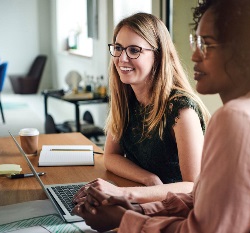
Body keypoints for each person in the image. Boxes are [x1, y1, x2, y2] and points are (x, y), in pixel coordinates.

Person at [73, 0, 250, 232]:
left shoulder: (236, 118)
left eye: (206, 44)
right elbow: (202, 199)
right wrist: (141, 210)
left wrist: (125, 219)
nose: (195, 55)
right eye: (195, 42)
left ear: (244, 50)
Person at [73, 13, 210, 204]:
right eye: (119, 48)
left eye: (134, 50)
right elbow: (111, 156)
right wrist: (148, 179)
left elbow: (194, 185)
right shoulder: (126, 96)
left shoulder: (181, 109)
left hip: (176, 210)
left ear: (158, 55)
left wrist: (124, 193)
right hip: (145, 200)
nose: (122, 58)